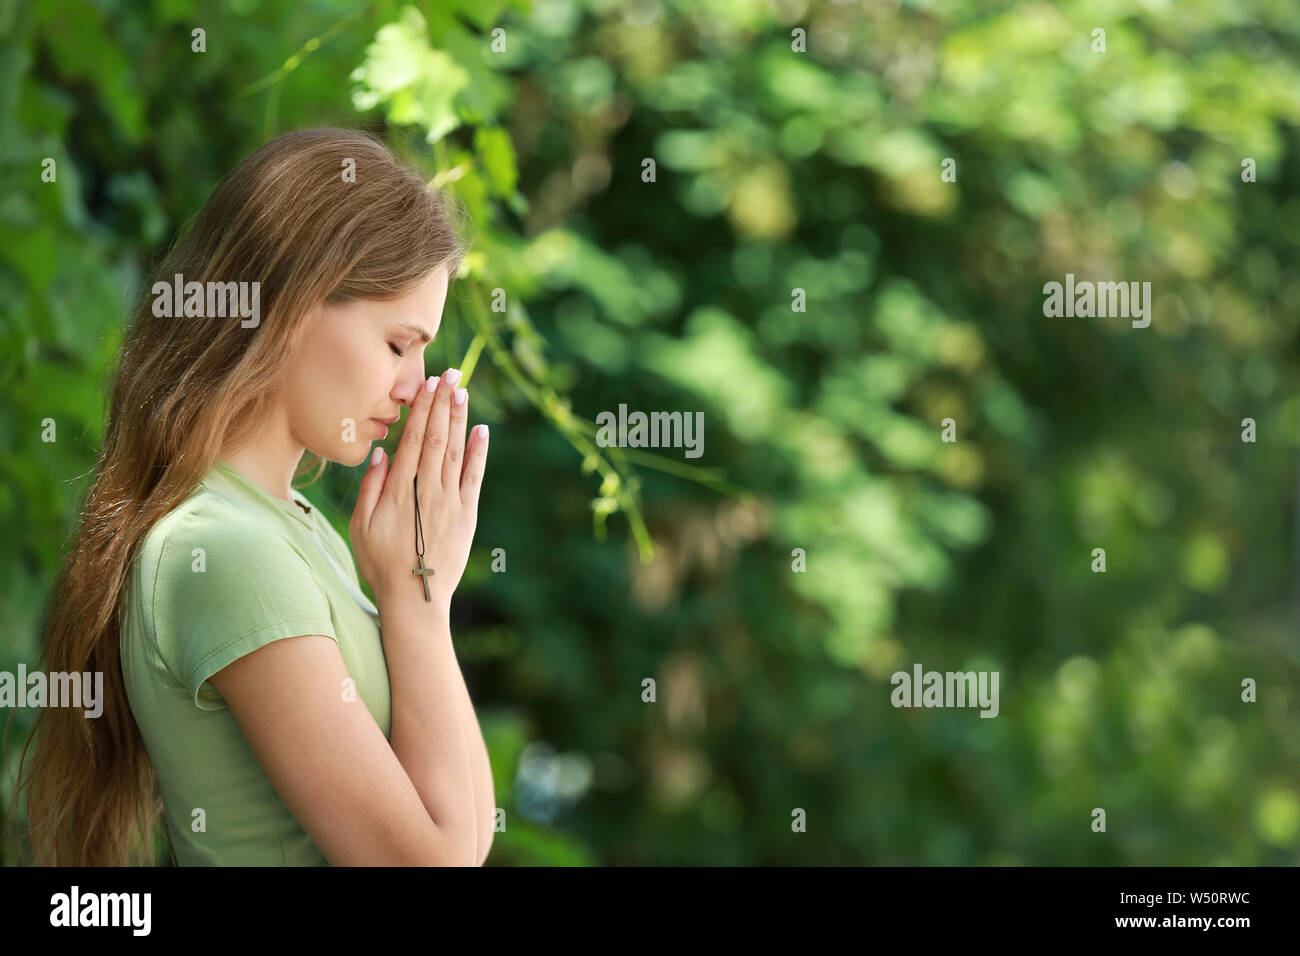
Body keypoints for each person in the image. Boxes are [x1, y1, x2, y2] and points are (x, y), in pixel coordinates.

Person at [10, 127, 495, 865]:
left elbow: (470, 823)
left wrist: (422, 597)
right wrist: (417, 607)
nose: (416, 383)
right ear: (291, 304)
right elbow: (426, 860)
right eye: (399, 344)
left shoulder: (294, 529)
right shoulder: (223, 549)